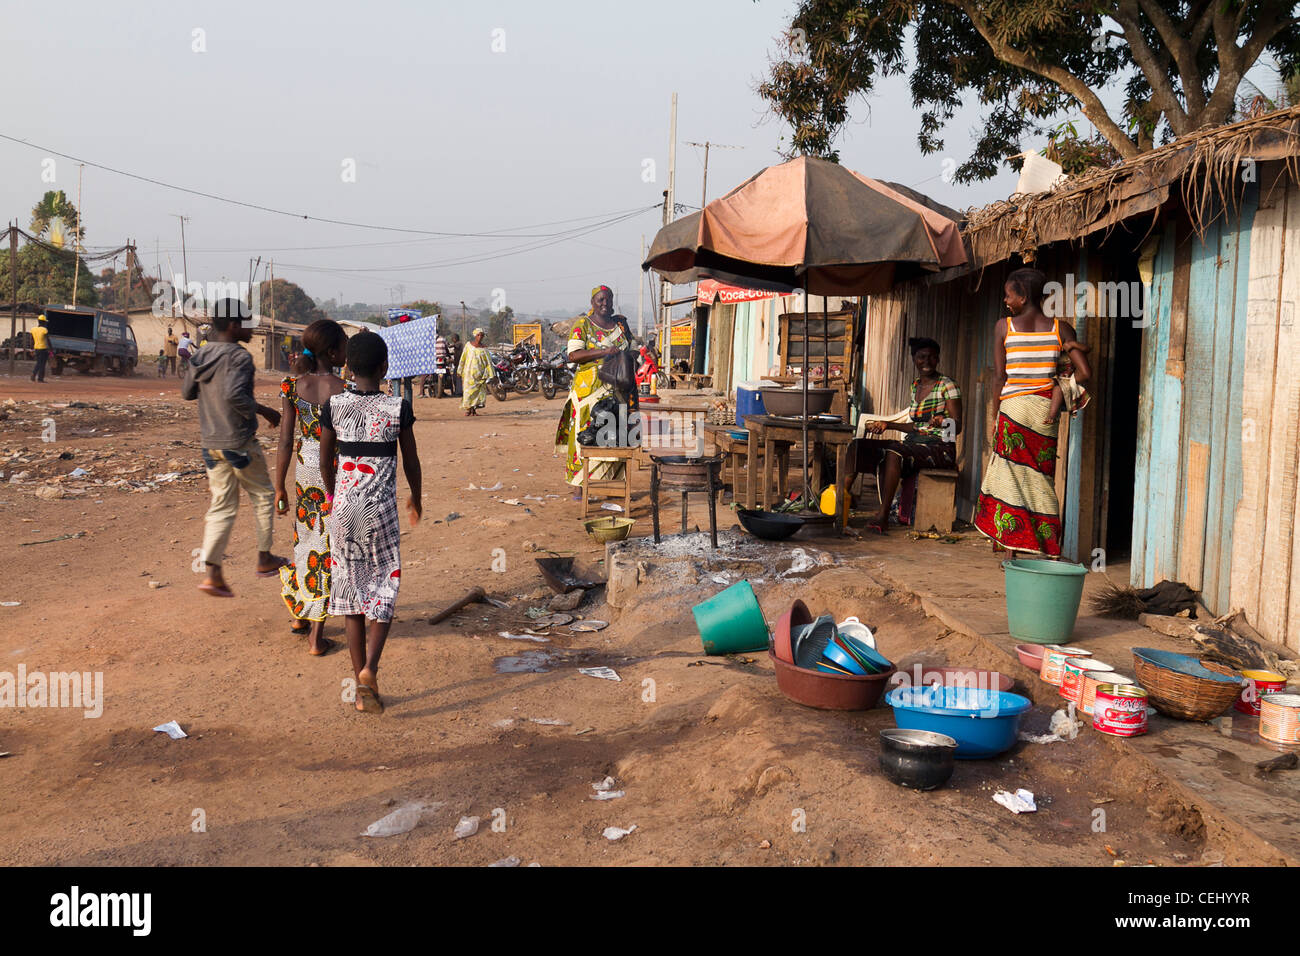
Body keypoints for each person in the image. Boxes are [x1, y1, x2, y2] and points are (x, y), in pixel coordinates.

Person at [319, 331, 422, 714]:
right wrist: (417, 495)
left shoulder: (335, 405)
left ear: (347, 367)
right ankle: (370, 672)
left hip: (344, 511)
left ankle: (361, 680)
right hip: (379, 512)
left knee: (350, 593)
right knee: (384, 585)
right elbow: (410, 460)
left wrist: (334, 498)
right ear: (385, 368)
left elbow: (326, 458)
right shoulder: (397, 407)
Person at [974, 267, 1091, 556]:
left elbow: (999, 377)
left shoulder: (1004, 327)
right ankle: (1047, 548)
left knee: (1010, 477)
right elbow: (1078, 370)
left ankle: (1012, 547)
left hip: (1012, 410)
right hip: (1044, 412)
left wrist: (994, 416)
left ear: (1023, 297)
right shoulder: (1061, 329)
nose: (1005, 301)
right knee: (1041, 479)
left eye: (1008, 295)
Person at [182, 298, 288, 598]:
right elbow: (233, 396)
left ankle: (213, 574)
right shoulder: (239, 358)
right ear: (232, 326)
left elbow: (187, 392)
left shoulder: (200, 355)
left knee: (222, 506)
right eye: (246, 324)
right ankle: (265, 557)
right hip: (239, 442)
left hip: (211, 444)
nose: (251, 330)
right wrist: (265, 411)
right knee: (264, 494)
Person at [274, 319, 349, 656]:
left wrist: (279, 487)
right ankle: (317, 637)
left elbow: (285, 441)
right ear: (332, 352)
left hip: (305, 471)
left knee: (306, 540)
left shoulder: (292, 387)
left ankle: (300, 614)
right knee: (329, 547)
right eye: (345, 344)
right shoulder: (345, 390)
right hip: (333, 471)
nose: (347, 350)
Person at [849, 337, 962, 534]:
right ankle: (841, 499)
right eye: (921, 357)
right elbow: (915, 427)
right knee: (857, 446)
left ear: (938, 360)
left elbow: (957, 426)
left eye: (932, 357)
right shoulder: (915, 385)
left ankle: (883, 516)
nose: (926, 361)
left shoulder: (947, 385)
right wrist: (888, 425)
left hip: (940, 448)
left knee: (893, 452)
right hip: (916, 443)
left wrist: (944, 422)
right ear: (914, 359)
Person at [555, 285, 632, 486]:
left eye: (608, 299)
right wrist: (604, 352)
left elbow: (628, 349)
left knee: (614, 434)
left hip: (618, 389)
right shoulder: (583, 325)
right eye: (600, 300)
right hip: (589, 391)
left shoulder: (619, 326)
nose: (605, 303)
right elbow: (573, 355)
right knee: (586, 434)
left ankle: (611, 484)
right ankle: (580, 485)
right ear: (592, 302)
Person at [457, 327, 492, 416]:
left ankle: (474, 410)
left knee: (477, 393)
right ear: (475, 336)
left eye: (482, 335)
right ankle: (468, 409)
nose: (480, 337)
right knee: (468, 392)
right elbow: (463, 358)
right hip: (468, 374)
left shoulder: (484, 349)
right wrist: (459, 370)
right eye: (478, 335)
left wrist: (491, 374)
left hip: (480, 375)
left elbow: (488, 362)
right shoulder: (468, 346)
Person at [30, 314, 50, 383]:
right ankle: (39, 378)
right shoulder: (44, 330)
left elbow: (31, 340)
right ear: (44, 322)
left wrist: (32, 349)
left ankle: (34, 375)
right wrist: (51, 349)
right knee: (42, 364)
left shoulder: (33, 329)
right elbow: (48, 340)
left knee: (38, 362)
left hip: (36, 348)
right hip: (43, 348)